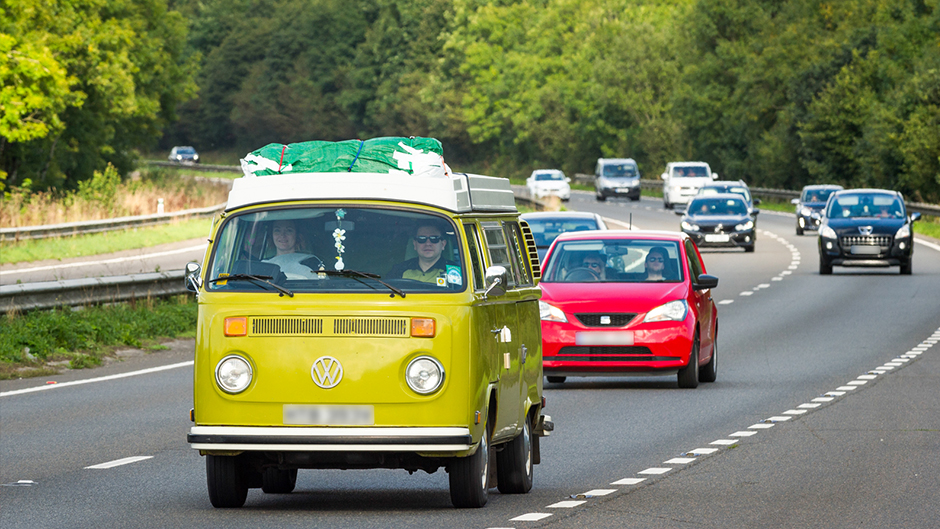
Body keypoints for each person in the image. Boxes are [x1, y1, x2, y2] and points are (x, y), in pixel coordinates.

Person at [386, 222, 458, 286]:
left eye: (434, 238)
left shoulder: (455, 271)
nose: (428, 243)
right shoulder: (399, 270)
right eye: (421, 239)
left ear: (443, 244)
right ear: (414, 244)